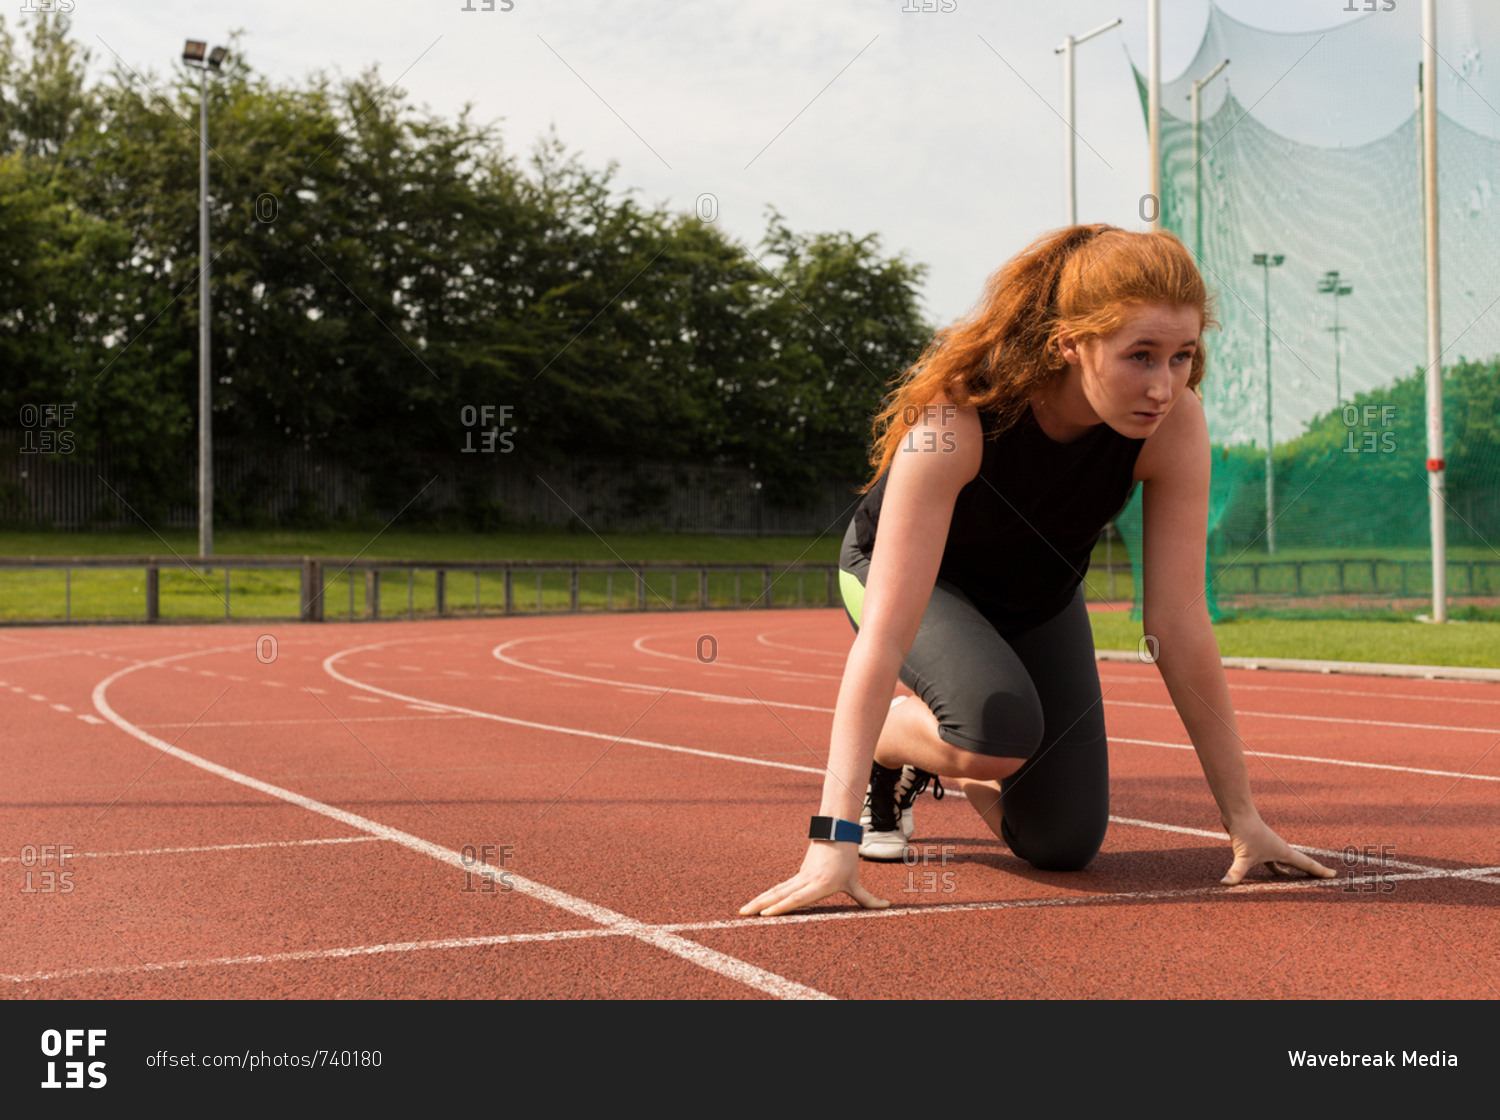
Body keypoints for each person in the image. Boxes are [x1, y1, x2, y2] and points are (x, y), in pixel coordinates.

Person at [740, 223, 1335, 918]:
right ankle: (891, 739)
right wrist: (831, 838)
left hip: (1038, 595)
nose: (1164, 385)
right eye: (1140, 356)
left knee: (1063, 842)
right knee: (994, 730)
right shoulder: (957, 418)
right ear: (1069, 344)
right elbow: (884, 639)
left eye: (1182, 357)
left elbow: (1176, 623)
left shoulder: (1174, 426)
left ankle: (960, 744)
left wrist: (1245, 822)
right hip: (906, 579)